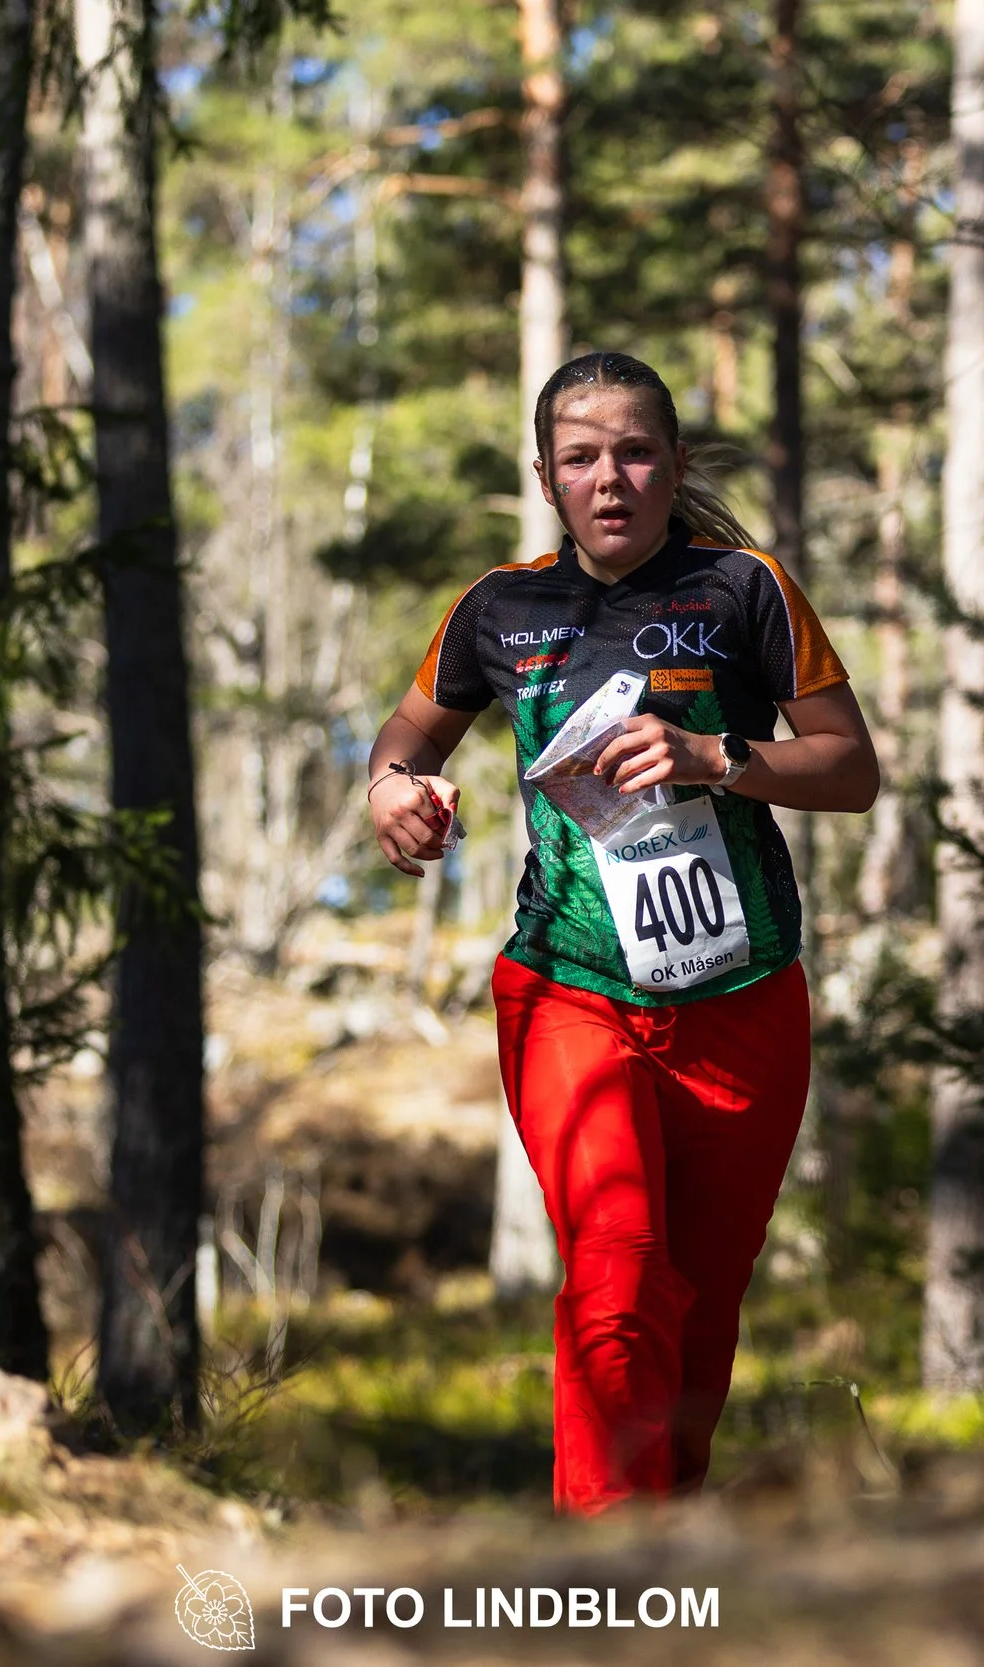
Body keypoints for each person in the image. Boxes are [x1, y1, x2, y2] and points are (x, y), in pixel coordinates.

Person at [365, 350, 880, 1514]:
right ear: (548, 476)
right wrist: (395, 790)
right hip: (571, 989)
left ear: (674, 464)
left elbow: (852, 770)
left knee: (697, 1297)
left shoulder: (745, 589)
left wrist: (720, 758)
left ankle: (668, 1553)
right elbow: (407, 738)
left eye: (635, 452)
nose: (611, 478)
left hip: (742, 998)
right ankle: (608, 1565)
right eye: (582, 456)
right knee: (618, 1269)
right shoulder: (501, 607)